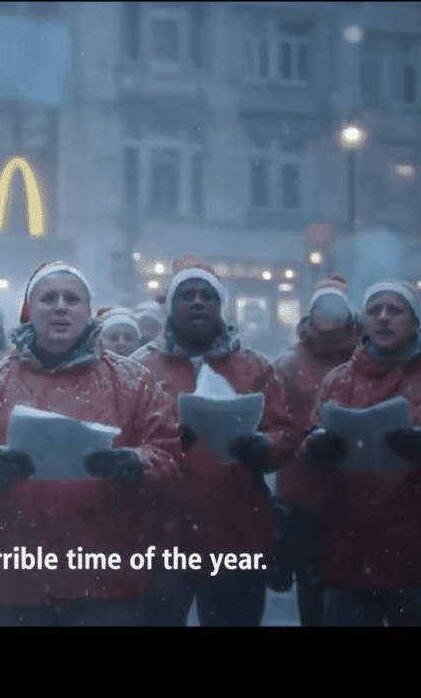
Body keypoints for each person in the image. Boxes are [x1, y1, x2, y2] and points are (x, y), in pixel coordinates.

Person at [0, 261, 183, 626]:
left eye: (71, 299)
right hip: (14, 581)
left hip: (105, 579)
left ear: (88, 312)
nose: (59, 307)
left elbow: (169, 455)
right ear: (29, 311)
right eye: (48, 298)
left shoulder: (134, 382)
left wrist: (135, 464)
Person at [301, 280, 421, 626]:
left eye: (395, 310)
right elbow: (309, 456)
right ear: (363, 322)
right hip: (351, 551)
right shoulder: (338, 381)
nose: (384, 318)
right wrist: (317, 450)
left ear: (415, 323)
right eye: (375, 310)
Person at [130, 255, 302, 626]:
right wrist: (162, 448)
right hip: (160, 535)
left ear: (220, 307)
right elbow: (121, 439)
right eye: (187, 295)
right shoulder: (141, 369)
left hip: (236, 531)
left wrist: (263, 447)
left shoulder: (255, 367)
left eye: (207, 296)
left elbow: (286, 434)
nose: (197, 302)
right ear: (171, 308)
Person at [269, 275, 361, 626]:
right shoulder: (287, 366)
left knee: (353, 597)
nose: (329, 319)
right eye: (323, 310)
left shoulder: (366, 363)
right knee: (313, 599)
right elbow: (274, 426)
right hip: (303, 496)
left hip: (356, 495)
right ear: (310, 316)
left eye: (336, 311)